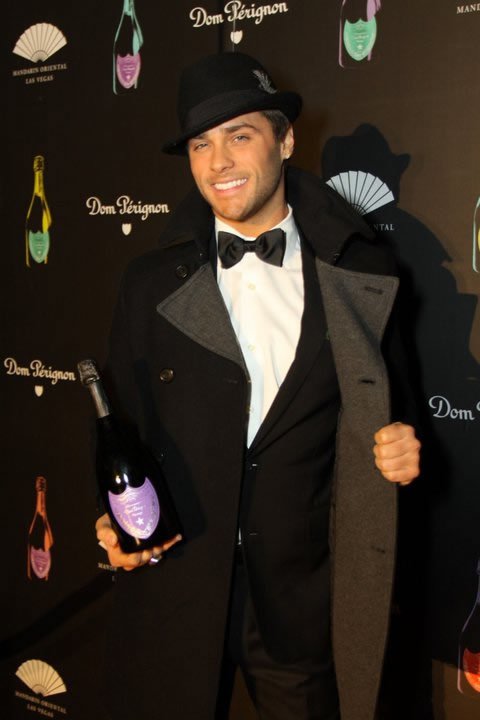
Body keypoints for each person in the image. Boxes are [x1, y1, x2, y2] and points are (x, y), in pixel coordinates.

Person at [95, 52, 421, 720]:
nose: (218, 163)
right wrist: (110, 518)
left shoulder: (360, 272)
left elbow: (397, 413)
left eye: (239, 135)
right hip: (178, 584)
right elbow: (117, 424)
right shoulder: (148, 283)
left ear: (286, 140)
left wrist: (405, 448)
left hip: (302, 604)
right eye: (200, 144)